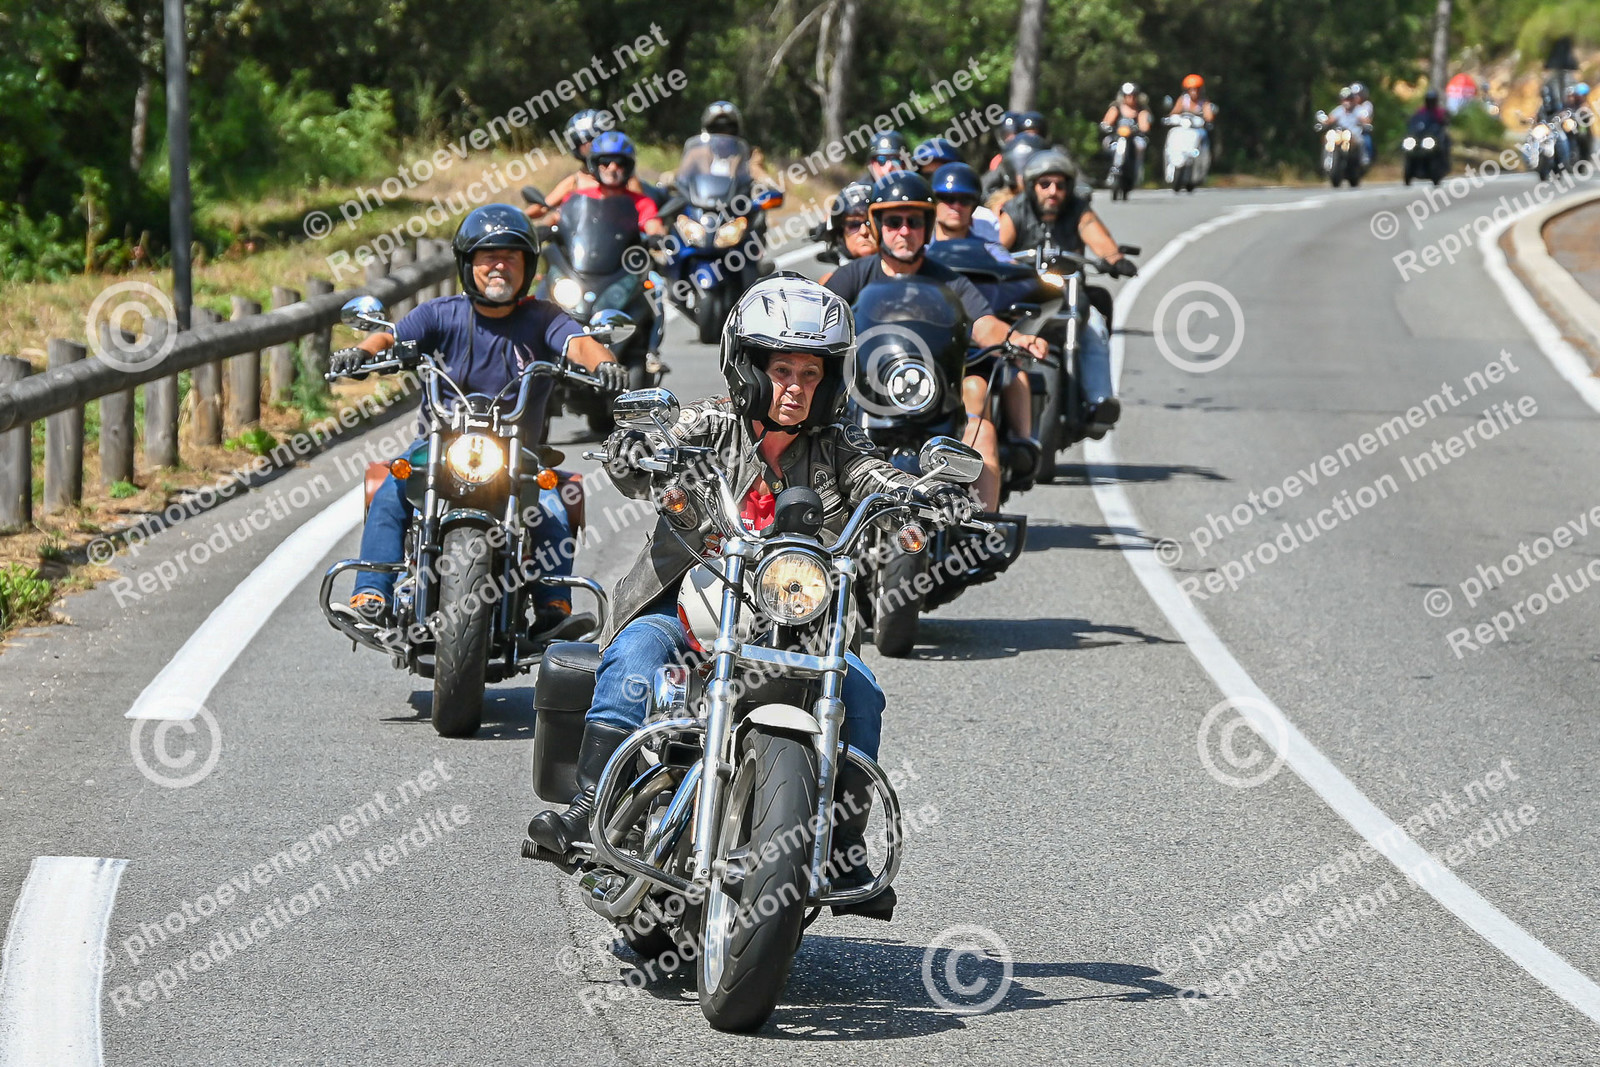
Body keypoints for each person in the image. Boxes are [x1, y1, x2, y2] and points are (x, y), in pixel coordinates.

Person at [524, 275, 976, 921]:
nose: (796, 387)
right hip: (687, 604)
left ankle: (843, 844)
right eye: (782, 370)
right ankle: (588, 808)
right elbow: (655, 447)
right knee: (633, 657)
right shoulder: (711, 424)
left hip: (795, 625)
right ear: (750, 369)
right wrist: (636, 449)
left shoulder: (839, 443)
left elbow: (875, 475)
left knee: (862, 692)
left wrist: (922, 493)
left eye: (811, 373)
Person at [333, 206, 629, 637]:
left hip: (518, 452)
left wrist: (605, 365)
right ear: (467, 264)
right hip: (439, 444)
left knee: (552, 503)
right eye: (488, 256)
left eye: (511, 257)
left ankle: (553, 608)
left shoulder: (544, 317)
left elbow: (580, 344)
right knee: (391, 489)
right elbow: (392, 337)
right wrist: (361, 353)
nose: (499, 266)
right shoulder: (440, 313)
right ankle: (371, 595)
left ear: (527, 266)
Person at [824, 171, 1050, 512]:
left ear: (927, 226)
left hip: (936, 393)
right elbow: (823, 317)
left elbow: (983, 323)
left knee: (981, 429)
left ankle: (981, 527)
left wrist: (1016, 338)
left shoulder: (949, 280)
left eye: (914, 222)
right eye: (893, 222)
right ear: (878, 225)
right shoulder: (854, 275)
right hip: (865, 389)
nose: (904, 231)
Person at [997, 149, 1133, 438]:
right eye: (1045, 184)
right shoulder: (1015, 210)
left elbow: (1095, 234)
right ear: (1032, 186)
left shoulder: (1077, 209)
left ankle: (1098, 402)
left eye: (1059, 185)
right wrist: (995, 262)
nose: (1053, 191)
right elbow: (996, 247)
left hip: (1069, 291)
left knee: (1095, 326)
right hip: (1024, 292)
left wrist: (1114, 258)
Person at [927, 162, 1037, 479]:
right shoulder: (918, 247)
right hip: (925, 346)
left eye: (964, 199)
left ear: (974, 204)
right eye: (947, 198)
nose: (955, 206)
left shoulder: (991, 248)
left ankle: (1022, 445)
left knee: (1008, 373)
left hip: (979, 349)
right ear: (933, 202)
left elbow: (1019, 276)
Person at [526, 131, 666, 239]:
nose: (612, 168)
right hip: (582, 259)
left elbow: (652, 223)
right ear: (595, 165)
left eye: (620, 162)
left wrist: (656, 236)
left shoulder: (642, 202)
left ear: (628, 166)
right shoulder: (579, 197)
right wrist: (544, 227)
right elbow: (558, 216)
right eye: (605, 162)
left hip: (625, 263)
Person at [525, 111, 646, 220]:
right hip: (585, 236)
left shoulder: (625, 179)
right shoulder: (575, 181)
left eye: (595, 141)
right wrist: (518, 217)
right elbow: (543, 207)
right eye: (582, 143)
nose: (590, 147)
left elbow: (642, 210)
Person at [817, 181, 876, 284]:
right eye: (854, 224)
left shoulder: (902, 273)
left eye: (870, 223)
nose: (864, 231)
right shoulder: (830, 283)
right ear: (840, 233)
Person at [1101, 82, 1152, 185]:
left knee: (1140, 146)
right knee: (1108, 144)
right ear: (1123, 96)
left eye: (1133, 95)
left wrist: (1140, 128)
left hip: (1134, 138)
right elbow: (1106, 122)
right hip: (1117, 137)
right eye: (1128, 95)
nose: (1131, 98)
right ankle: (1111, 169)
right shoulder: (1116, 108)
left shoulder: (1141, 110)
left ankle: (1137, 172)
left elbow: (1144, 126)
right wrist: (1107, 127)